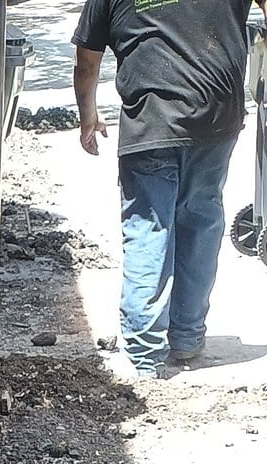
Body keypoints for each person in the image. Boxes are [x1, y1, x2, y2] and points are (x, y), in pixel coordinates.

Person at [73, 0, 262, 376]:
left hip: (151, 123)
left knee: (149, 227)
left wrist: (88, 117)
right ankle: (187, 339)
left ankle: (146, 354)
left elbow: (86, 60)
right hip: (215, 118)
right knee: (201, 222)